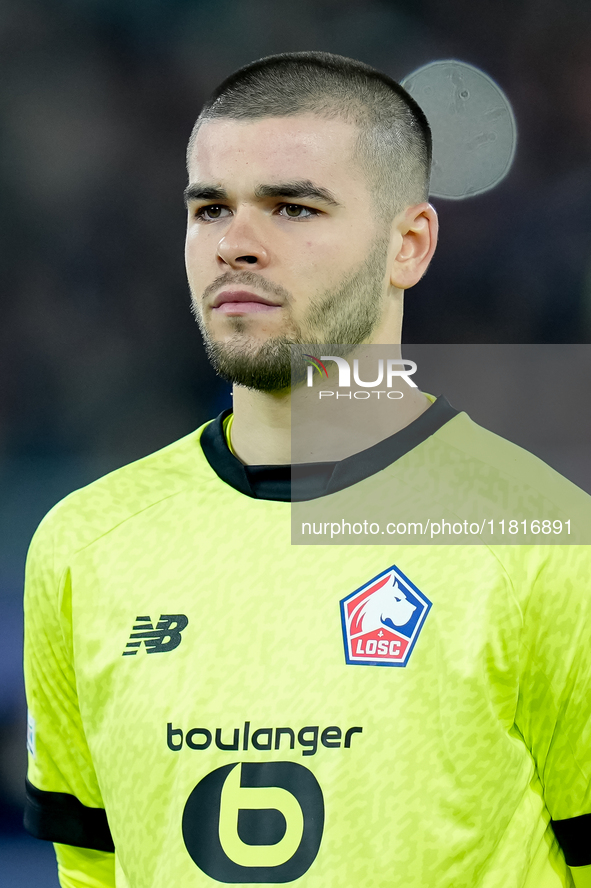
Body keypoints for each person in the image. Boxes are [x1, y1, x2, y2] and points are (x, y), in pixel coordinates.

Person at [23, 52, 591, 888]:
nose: (236, 245)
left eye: (292, 208)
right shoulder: (85, 545)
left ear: (408, 245)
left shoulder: (544, 545)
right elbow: (93, 867)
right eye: (209, 208)